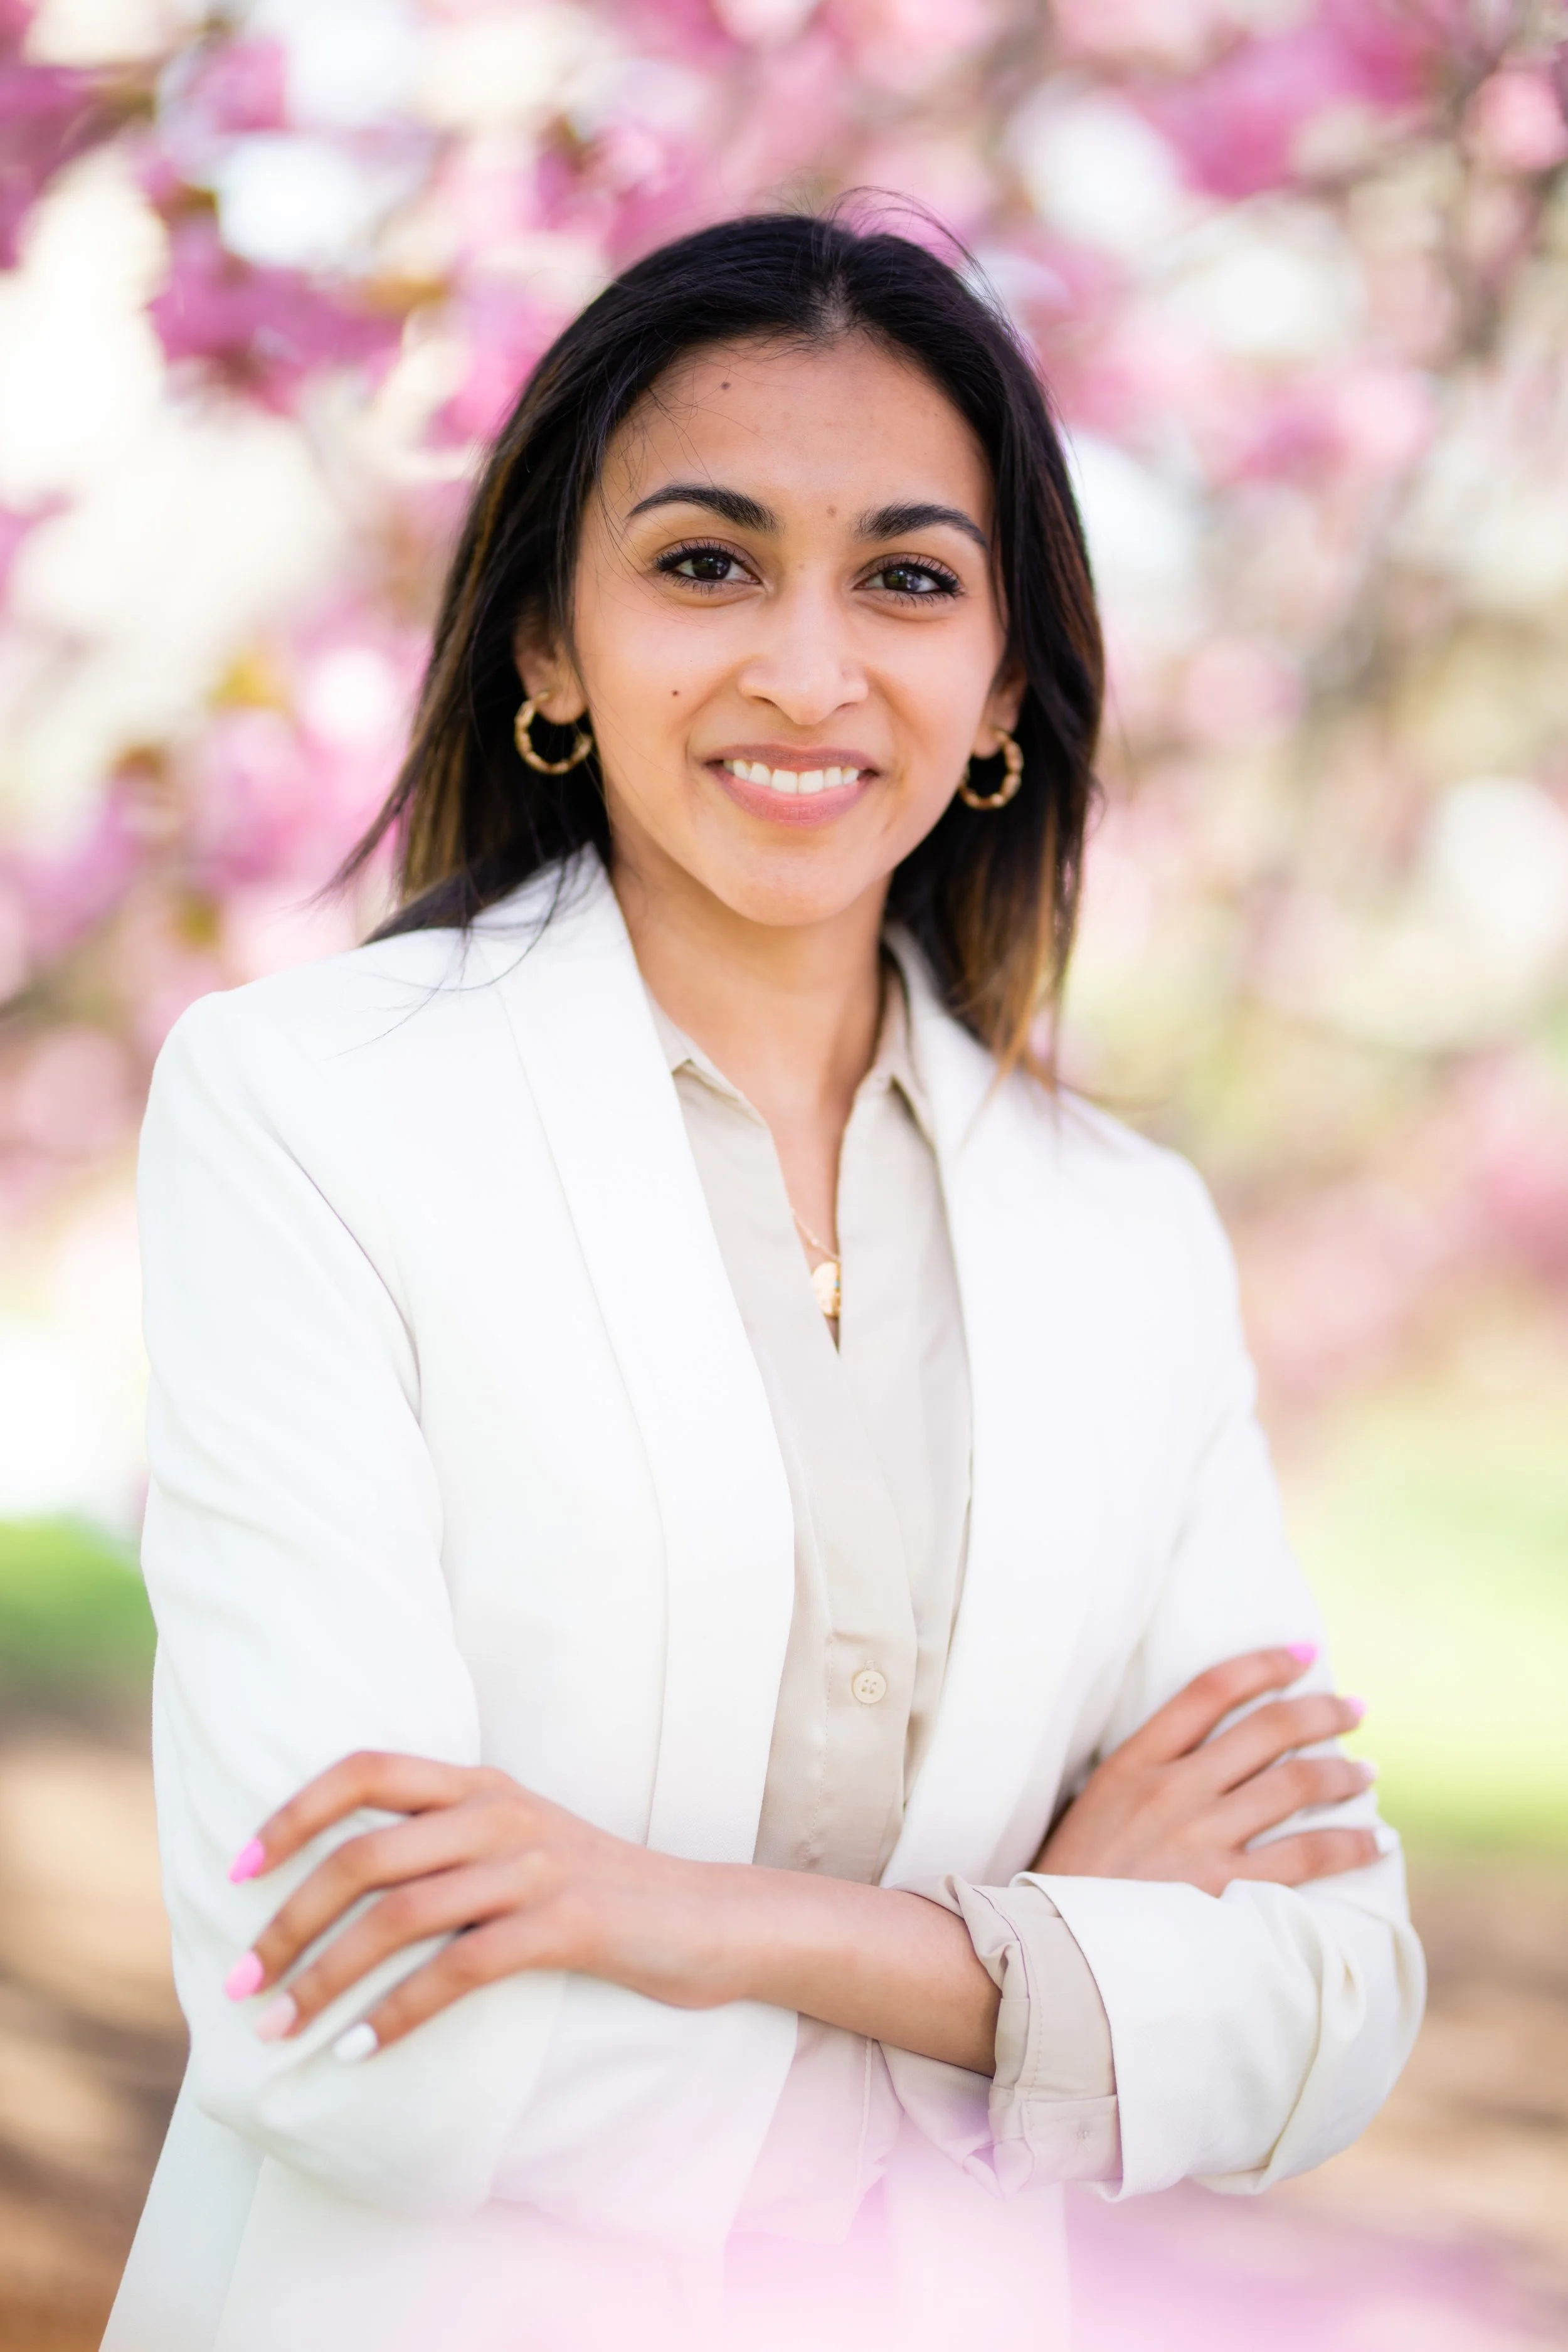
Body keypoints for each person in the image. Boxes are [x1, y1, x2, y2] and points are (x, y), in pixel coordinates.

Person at [103, 211, 1423, 2352]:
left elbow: (1328, 2002)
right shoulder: (311, 1112)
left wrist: (674, 1919)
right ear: (549, 643)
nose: (808, 669)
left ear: (1002, 682)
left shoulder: (1125, 1234)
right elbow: (349, 2032)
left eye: (906, 578)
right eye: (705, 562)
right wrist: (1051, 1974)